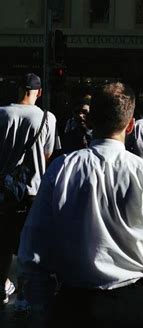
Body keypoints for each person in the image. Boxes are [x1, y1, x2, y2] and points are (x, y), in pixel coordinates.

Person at [18, 83, 143, 328]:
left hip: (73, 304)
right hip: (129, 308)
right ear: (131, 124)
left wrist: (43, 307)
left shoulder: (61, 170)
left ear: (90, 119)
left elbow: (32, 251)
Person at [0, 73, 56, 306]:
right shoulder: (47, 118)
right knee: (32, 243)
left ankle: (2, 285)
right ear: (39, 92)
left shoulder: (2, 113)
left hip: (4, 191)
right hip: (33, 191)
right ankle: (30, 290)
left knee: (2, 242)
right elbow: (48, 154)